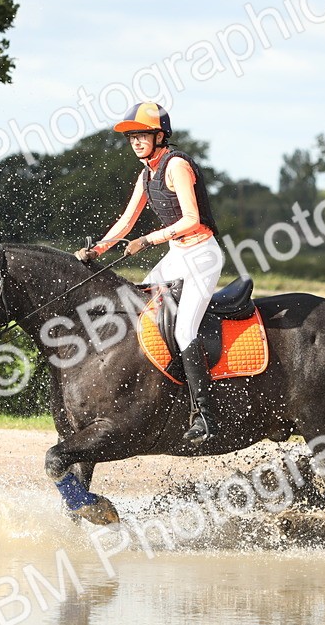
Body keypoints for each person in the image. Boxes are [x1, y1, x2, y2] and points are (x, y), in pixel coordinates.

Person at [74, 101, 225, 443]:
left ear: (159, 135)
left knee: (185, 330)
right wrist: (98, 248)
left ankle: (205, 415)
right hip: (177, 255)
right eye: (131, 138)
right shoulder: (146, 174)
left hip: (201, 256)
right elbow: (126, 221)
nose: (136, 142)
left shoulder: (177, 166)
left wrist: (147, 240)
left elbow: (192, 220)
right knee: (135, 306)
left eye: (141, 135)